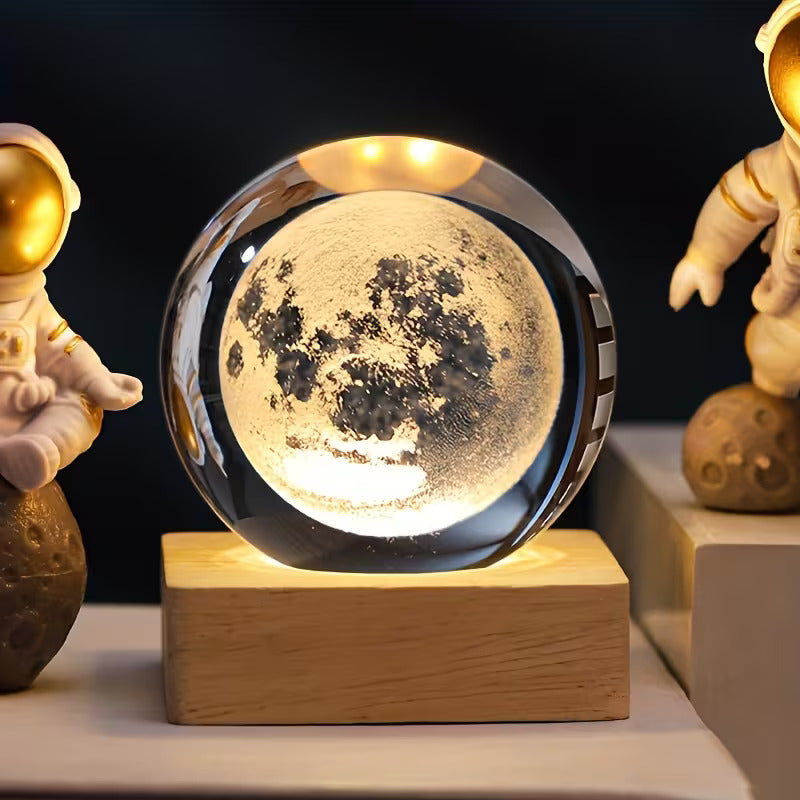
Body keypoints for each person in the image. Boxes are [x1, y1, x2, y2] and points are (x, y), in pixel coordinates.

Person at [0, 123, 142, 490]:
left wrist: (98, 379)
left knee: (85, 404)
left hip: (25, 419)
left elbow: (64, 346)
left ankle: (38, 451)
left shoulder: (34, 303)